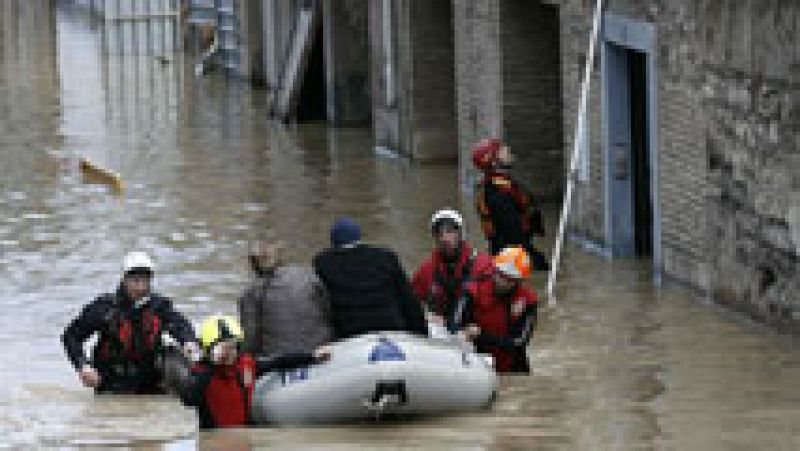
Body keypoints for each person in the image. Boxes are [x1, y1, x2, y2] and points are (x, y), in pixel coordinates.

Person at [62, 251, 198, 394]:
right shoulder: (104, 308)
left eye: (145, 281)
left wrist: (188, 342)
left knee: (175, 356)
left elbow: (181, 326)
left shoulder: (160, 306)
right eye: (135, 281)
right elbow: (71, 336)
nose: (140, 288)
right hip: (112, 380)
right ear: (124, 280)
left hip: (150, 379)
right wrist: (83, 366)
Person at [180, 315, 330, 429]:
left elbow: (278, 361)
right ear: (209, 350)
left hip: (245, 433)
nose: (230, 353)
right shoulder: (201, 372)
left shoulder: (246, 365)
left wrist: (311, 356)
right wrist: (212, 365)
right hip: (214, 436)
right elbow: (188, 399)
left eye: (233, 347)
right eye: (224, 349)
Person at [313, 217, 428, 340]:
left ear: (333, 243)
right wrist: (421, 334)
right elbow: (408, 299)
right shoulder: (386, 257)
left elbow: (320, 305)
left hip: (349, 335)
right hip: (393, 328)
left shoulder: (322, 263)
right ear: (359, 237)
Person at [238, 241, 332, 358]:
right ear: (280, 257)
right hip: (321, 349)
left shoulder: (250, 294)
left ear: (253, 265)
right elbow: (327, 311)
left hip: (279, 359)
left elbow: (250, 338)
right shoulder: (308, 274)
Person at [453, 246, 538, 373]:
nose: (501, 281)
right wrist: (464, 332)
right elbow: (455, 324)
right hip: (478, 363)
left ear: (519, 281)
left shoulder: (528, 301)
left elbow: (519, 342)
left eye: (509, 278)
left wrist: (481, 335)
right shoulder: (474, 290)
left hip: (512, 368)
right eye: (500, 274)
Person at [472, 138, 549, 271]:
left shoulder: (503, 184)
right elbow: (512, 234)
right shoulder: (497, 195)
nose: (508, 150)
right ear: (494, 162)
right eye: (502, 150)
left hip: (515, 250)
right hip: (511, 257)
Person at [411, 209, 493, 332]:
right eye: (439, 234)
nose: (444, 238)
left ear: (460, 234)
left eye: (449, 232)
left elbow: (495, 305)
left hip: (474, 333)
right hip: (440, 333)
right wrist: (425, 316)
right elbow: (409, 299)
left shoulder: (483, 265)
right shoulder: (427, 270)